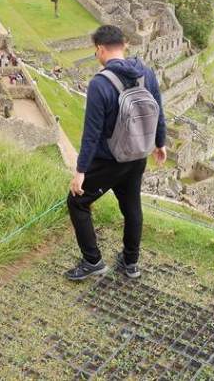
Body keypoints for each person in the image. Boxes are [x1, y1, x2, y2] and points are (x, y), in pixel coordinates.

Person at [65, 24, 167, 281]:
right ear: (124, 46)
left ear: (100, 49)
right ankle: (131, 263)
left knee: (77, 202)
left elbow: (92, 134)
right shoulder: (146, 73)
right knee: (132, 207)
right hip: (138, 155)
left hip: (110, 159)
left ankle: (92, 261)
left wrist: (80, 172)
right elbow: (158, 110)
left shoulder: (100, 84)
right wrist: (160, 142)